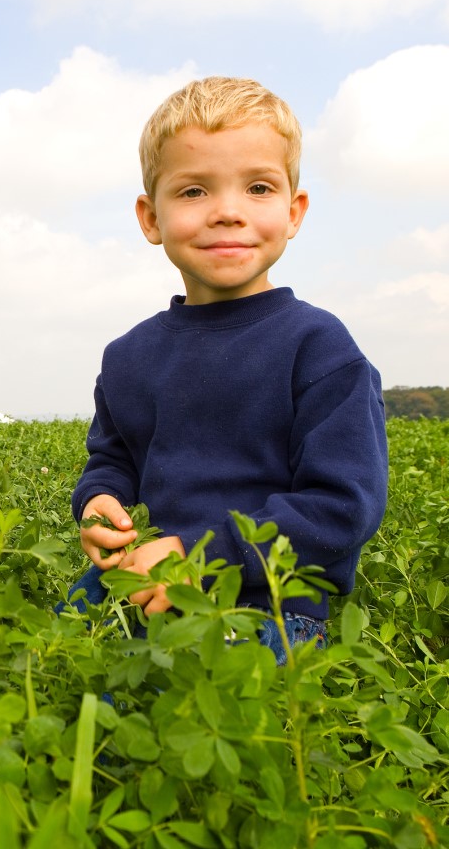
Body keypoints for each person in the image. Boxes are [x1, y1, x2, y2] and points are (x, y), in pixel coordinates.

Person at [61, 76, 388, 661]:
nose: (228, 213)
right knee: (47, 681)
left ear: (294, 212)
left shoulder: (318, 345)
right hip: (142, 585)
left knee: (181, 714)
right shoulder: (127, 355)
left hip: (263, 609)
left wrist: (200, 554)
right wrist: (98, 501)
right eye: (193, 192)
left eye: (258, 188)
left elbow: (345, 505)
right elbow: (113, 459)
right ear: (149, 217)